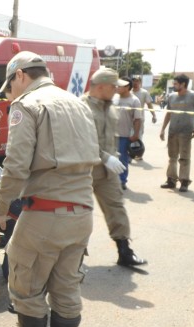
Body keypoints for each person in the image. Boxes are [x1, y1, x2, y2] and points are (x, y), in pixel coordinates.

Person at [0, 51, 100, 327]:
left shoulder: (28, 104)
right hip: (82, 212)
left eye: (9, 86)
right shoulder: (78, 103)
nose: (10, 94)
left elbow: (16, 165)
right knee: (66, 289)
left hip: (45, 214)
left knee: (26, 287)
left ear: (20, 75)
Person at [82, 68, 147, 267]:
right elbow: (81, 141)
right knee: (79, 214)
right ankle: (73, 258)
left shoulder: (111, 107)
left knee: (116, 206)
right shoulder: (81, 108)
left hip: (107, 170)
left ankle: (124, 251)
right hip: (84, 171)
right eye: (114, 87)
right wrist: (105, 157)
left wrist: (114, 155)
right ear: (101, 86)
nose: (117, 91)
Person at [159, 74, 194, 192]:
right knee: (172, 157)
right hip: (173, 131)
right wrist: (163, 129)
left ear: (183, 84)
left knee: (184, 158)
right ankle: (171, 180)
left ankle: (184, 182)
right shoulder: (172, 96)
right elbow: (168, 113)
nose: (174, 85)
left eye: (175, 83)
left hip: (186, 132)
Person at [112, 77, 142, 190]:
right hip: (111, 134)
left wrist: (136, 134)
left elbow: (137, 119)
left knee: (122, 159)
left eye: (120, 86)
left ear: (127, 87)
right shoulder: (114, 98)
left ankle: (122, 180)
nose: (117, 87)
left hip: (124, 135)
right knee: (110, 158)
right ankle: (112, 180)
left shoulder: (134, 101)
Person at [131, 76, 157, 143]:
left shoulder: (144, 92)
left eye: (137, 81)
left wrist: (154, 115)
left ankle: (137, 152)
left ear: (140, 82)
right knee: (129, 138)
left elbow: (149, 105)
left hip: (139, 120)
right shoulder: (129, 92)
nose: (135, 83)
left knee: (138, 138)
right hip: (129, 120)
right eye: (134, 81)